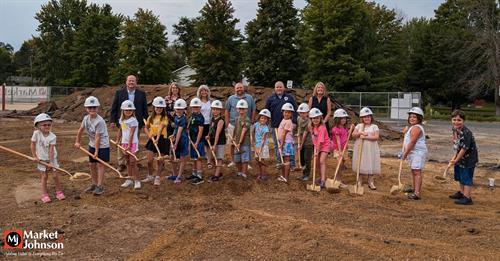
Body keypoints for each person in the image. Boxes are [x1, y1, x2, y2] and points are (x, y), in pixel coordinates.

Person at [110, 75, 148, 171]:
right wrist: (112, 120)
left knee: (135, 141)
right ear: (126, 82)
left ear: (136, 83)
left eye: (133, 81)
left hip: (136, 123)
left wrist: (145, 123)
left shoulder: (141, 94)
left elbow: (145, 109)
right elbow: (114, 107)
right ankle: (121, 163)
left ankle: (134, 160)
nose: (131, 83)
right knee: (122, 142)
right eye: (129, 81)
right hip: (123, 122)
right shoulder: (119, 93)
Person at [74, 96, 110, 195]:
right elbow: (80, 130)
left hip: (102, 146)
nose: (92, 109)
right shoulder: (86, 119)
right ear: (86, 109)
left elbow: (98, 137)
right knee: (91, 164)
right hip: (92, 144)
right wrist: (77, 141)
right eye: (90, 108)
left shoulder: (100, 121)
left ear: (98, 108)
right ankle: (94, 184)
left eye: (94, 107)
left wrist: (97, 152)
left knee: (100, 165)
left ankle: (100, 186)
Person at [31, 113, 64, 203]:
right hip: (41, 159)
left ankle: (59, 192)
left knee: (55, 175)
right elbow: (33, 144)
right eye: (44, 125)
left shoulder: (53, 137)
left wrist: (51, 162)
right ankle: (44, 194)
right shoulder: (36, 134)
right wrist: (35, 156)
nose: (47, 126)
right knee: (44, 176)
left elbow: (51, 150)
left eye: (49, 125)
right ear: (38, 126)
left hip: (52, 158)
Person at [265, 81, 298, 170]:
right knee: (277, 144)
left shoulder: (289, 97)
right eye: (277, 87)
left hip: (288, 126)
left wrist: (294, 122)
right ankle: (280, 162)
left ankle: (291, 164)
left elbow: (295, 110)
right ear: (274, 88)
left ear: (283, 88)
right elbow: (266, 112)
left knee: (289, 144)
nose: (279, 88)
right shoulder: (270, 99)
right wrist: (266, 123)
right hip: (275, 126)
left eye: (280, 87)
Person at [448, 110, 478, 205]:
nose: (456, 122)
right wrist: (455, 157)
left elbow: (464, 149)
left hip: (468, 159)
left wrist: (456, 159)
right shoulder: (455, 129)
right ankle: (462, 192)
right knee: (460, 176)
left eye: (459, 120)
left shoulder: (466, 133)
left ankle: (467, 197)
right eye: (454, 119)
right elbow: (457, 144)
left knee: (466, 177)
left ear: (463, 121)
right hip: (460, 157)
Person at [225, 83, 256, 168]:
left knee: (246, 143)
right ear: (235, 89)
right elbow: (227, 111)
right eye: (237, 88)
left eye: (241, 88)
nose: (239, 89)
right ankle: (233, 161)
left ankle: (247, 162)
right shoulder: (231, 98)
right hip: (232, 124)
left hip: (246, 124)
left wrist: (252, 121)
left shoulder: (249, 98)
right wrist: (227, 124)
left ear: (244, 88)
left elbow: (253, 109)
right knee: (232, 143)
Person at [402, 107, 428, 200]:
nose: (412, 119)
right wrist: (405, 132)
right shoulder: (412, 127)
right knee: (414, 170)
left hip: (417, 153)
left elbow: (412, 142)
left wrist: (405, 154)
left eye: (414, 117)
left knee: (416, 171)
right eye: (410, 117)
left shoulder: (417, 128)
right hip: (413, 152)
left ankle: (417, 193)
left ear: (419, 118)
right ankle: (414, 188)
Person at [352, 107, 380, 190]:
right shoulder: (359, 126)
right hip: (360, 147)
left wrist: (366, 137)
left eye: (368, 116)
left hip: (371, 148)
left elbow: (376, 137)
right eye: (365, 117)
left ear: (371, 117)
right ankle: (359, 180)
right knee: (360, 162)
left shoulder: (374, 126)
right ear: (362, 118)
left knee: (371, 162)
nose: (367, 118)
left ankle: (371, 181)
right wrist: (359, 133)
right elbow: (353, 135)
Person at [142, 97, 169, 186]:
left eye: (160, 107)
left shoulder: (164, 117)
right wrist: (148, 135)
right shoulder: (150, 117)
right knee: (149, 160)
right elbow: (145, 127)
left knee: (160, 160)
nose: (158, 109)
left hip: (161, 139)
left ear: (163, 108)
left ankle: (157, 177)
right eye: (157, 107)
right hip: (152, 139)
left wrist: (157, 138)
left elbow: (161, 128)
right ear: (154, 107)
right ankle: (150, 176)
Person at [117, 100, 140, 190]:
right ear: (123, 110)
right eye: (126, 110)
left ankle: (137, 180)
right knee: (127, 162)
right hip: (124, 143)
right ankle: (129, 179)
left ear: (133, 111)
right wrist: (118, 140)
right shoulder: (121, 120)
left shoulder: (133, 120)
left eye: (130, 110)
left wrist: (129, 146)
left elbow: (131, 134)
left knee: (133, 162)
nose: (128, 111)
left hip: (132, 144)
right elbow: (120, 130)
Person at [309, 108, 330, 188]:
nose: (316, 120)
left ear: (320, 118)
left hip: (325, 145)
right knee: (316, 162)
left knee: (321, 161)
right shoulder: (313, 127)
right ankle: (320, 177)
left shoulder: (322, 128)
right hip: (317, 146)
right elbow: (314, 139)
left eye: (317, 118)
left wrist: (317, 152)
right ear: (311, 119)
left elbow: (321, 141)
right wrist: (316, 149)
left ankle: (323, 180)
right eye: (314, 118)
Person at [330, 108, 351, 188]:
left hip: (344, 149)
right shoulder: (335, 129)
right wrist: (340, 151)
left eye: (344, 118)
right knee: (339, 164)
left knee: (342, 163)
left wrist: (349, 131)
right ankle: (338, 180)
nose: (343, 120)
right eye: (341, 118)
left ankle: (343, 166)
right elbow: (338, 141)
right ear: (337, 119)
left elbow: (345, 137)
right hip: (338, 149)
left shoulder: (344, 128)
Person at [170, 99, 189, 184]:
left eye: (180, 109)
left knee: (182, 158)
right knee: (172, 157)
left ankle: (179, 176)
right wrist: (173, 135)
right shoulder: (176, 117)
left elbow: (180, 132)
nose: (178, 110)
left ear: (184, 109)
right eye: (177, 109)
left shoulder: (183, 119)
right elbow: (176, 129)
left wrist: (176, 143)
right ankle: (175, 174)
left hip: (182, 139)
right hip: (177, 138)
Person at [187, 98, 205, 185]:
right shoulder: (193, 115)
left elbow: (201, 131)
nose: (195, 108)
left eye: (197, 107)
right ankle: (194, 174)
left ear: (200, 107)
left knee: (198, 158)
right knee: (194, 158)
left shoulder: (200, 117)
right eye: (193, 107)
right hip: (192, 139)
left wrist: (197, 142)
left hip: (198, 141)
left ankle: (199, 176)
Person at [206, 100, 226, 181]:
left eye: (217, 109)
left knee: (219, 158)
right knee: (215, 158)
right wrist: (208, 135)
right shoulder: (212, 119)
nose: (215, 111)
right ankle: (217, 172)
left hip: (219, 142)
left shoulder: (220, 120)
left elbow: (217, 133)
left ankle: (216, 176)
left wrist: (214, 145)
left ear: (220, 110)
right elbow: (211, 129)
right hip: (213, 141)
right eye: (214, 109)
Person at [277, 103, 296, 183]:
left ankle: (286, 177)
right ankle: (283, 176)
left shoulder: (288, 122)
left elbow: (284, 133)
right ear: (283, 112)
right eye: (285, 112)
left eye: (289, 112)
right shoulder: (284, 120)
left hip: (286, 143)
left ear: (291, 114)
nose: (287, 113)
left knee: (287, 161)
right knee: (284, 161)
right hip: (283, 143)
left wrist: (281, 144)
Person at [233, 99, 251, 178]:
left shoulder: (247, 119)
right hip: (237, 142)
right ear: (237, 109)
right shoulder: (237, 119)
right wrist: (233, 137)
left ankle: (244, 173)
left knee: (244, 159)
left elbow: (244, 131)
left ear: (246, 109)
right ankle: (239, 171)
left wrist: (240, 142)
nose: (241, 110)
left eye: (243, 109)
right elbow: (235, 128)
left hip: (244, 142)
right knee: (237, 159)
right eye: (240, 108)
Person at [197, 85, 214, 168]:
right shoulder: (197, 101)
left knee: (208, 143)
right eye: (202, 91)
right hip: (200, 124)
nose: (204, 92)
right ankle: (199, 157)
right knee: (200, 142)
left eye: (205, 90)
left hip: (208, 124)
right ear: (199, 92)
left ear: (208, 92)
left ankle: (209, 160)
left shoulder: (211, 101)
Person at [253, 109, 271, 181]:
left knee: (262, 160)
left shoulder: (266, 128)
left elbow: (263, 139)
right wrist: (253, 141)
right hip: (257, 145)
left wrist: (260, 149)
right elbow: (253, 131)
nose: (263, 119)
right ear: (259, 118)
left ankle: (264, 175)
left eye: (265, 118)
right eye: (262, 118)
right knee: (258, 160)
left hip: (263, 146)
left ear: (267, 120)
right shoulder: (256, 124)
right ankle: (260, 173)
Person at [297, 103, 313, 181]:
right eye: (300, 113)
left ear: (307, 113)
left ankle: (307, 174)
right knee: (302, 158)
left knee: (307, 158)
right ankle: (303, 173)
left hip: (308, 142)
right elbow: (299, 131)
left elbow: (305, 134)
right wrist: (299, 143)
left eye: (304, 113)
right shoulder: (299, 119)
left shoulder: (310, 121)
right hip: (302, 141)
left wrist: (301, 144)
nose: (302, 114)